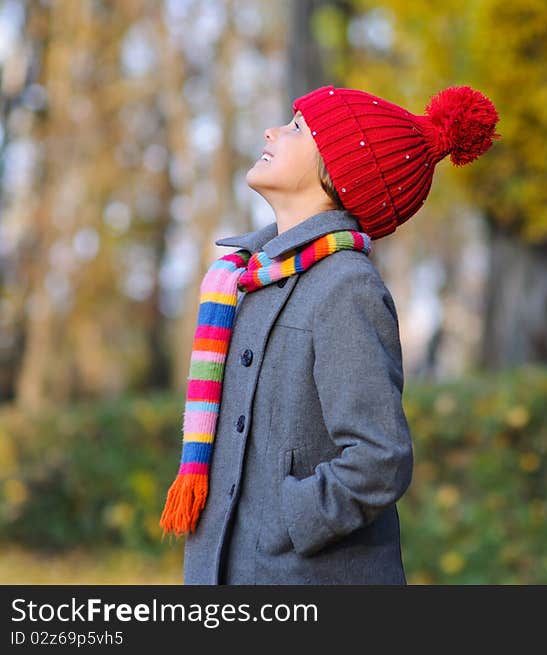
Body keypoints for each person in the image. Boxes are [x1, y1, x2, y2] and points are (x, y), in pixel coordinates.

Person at [159, 84, 501, 584]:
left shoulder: (346, 287)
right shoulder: (245, 278)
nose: (271, 131)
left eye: (296, 127)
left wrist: (288, 517)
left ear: (337, 170)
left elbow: (379, 458)